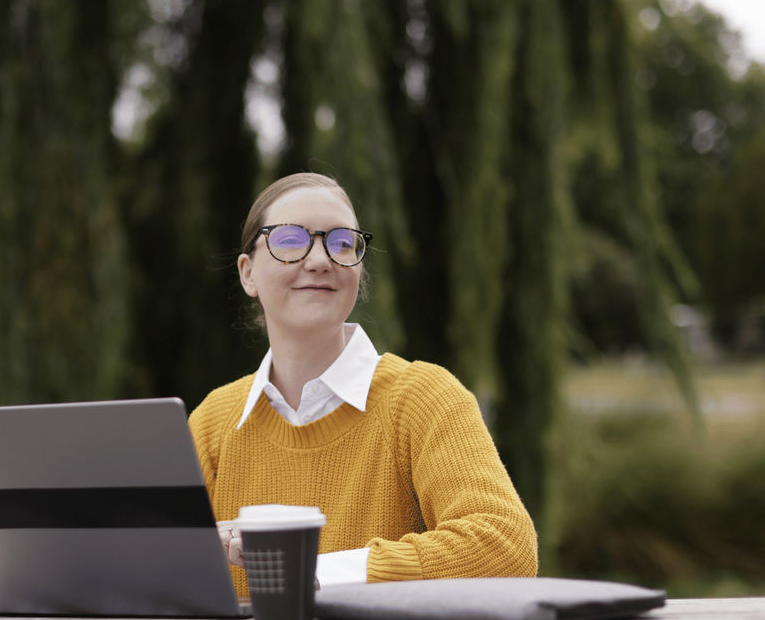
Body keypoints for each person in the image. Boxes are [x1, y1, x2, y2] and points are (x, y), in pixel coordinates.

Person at [189, 172, 537, 595]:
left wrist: (311, 570)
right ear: (248, 274)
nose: (320, 259)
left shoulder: (424, 399)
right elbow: (153, 571)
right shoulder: (211, 423)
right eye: (290, 240)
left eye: (341, 242)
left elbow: (504, 546)